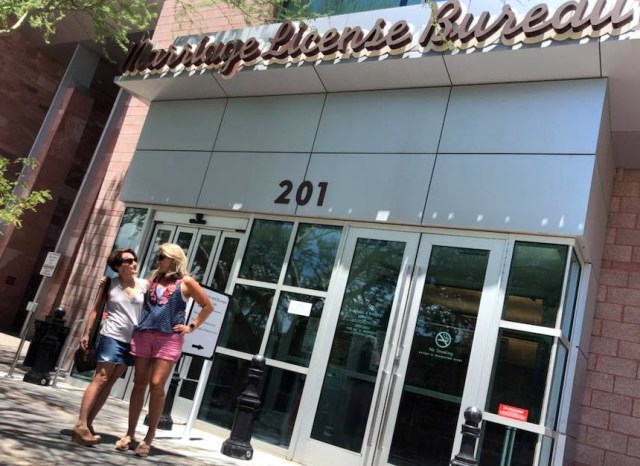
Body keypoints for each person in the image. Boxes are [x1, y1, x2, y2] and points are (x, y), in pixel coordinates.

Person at [115, 243, 214, 457]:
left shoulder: (186, 282)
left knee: (157, 384)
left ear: (173, 259)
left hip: (169, 338)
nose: (158, 260)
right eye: (158, 256)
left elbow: (207, 306)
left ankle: (149, 437)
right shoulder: (154, 278)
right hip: (144, 334)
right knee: (139, 383)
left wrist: (191, 326)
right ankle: (130, 434)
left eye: (162, 256)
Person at [71, 248, 148, 446]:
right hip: (111, 336)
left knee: (111, 381)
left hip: (132, 341)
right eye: (129, 261)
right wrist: (87, 333)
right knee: (101, 379)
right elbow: (95, 310)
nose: (134, 263)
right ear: (117, 266)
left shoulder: (143, 284)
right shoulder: (109, 284)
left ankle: (88, 423)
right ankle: (80, 424)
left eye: (135, 260)